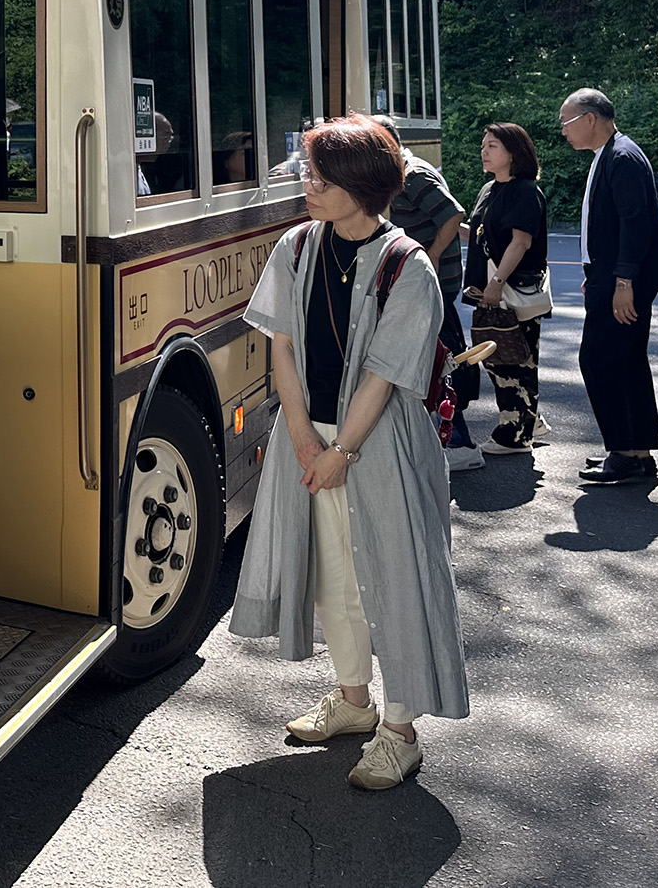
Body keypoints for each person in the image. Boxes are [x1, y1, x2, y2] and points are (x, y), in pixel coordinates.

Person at [230, 114, 468, 792]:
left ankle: (400, 731)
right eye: (309, 173)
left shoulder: (407, 265)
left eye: (320, 178)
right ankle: (353, 702)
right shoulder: (298, 246)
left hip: (380, 445)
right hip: (311, 437)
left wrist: (341, 449)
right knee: (333, 575)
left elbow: (387, 375)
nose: (307, 186)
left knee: (392, 577)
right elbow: (277, 342)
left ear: (360, 187)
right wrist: (304, 437)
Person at [559, 88, 658, 484]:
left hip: (623, 281)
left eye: (567, 123)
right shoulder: (611, 154)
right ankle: (636, 452)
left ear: (590, 118)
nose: (563, 132)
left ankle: (625, 453)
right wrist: (596, 272)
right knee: (625, 363)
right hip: (609, 276)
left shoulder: (622, 156)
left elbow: (636, 223)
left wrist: (622, 280)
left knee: (599, 360)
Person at [375, 115, 478, 470]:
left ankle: (461, 444)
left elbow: (453, 214)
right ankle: (447, 438)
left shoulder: (414, 175)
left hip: (434, 282)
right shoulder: (400, 173)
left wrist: (430, 257)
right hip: (424, 280)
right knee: (433, 357)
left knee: (440, 359)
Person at [462, 123, 550, 453]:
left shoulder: (525, 191)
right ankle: (529, 421)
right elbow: (484, 235)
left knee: (516, 358)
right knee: (500, 357)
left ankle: (516, 434)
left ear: (513, 152)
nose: (484, 151)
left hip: (510, 290)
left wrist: (497, 282)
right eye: (484, 145)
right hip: (490, 291)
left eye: (493, 146)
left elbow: (520, 241)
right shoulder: (489, 188)